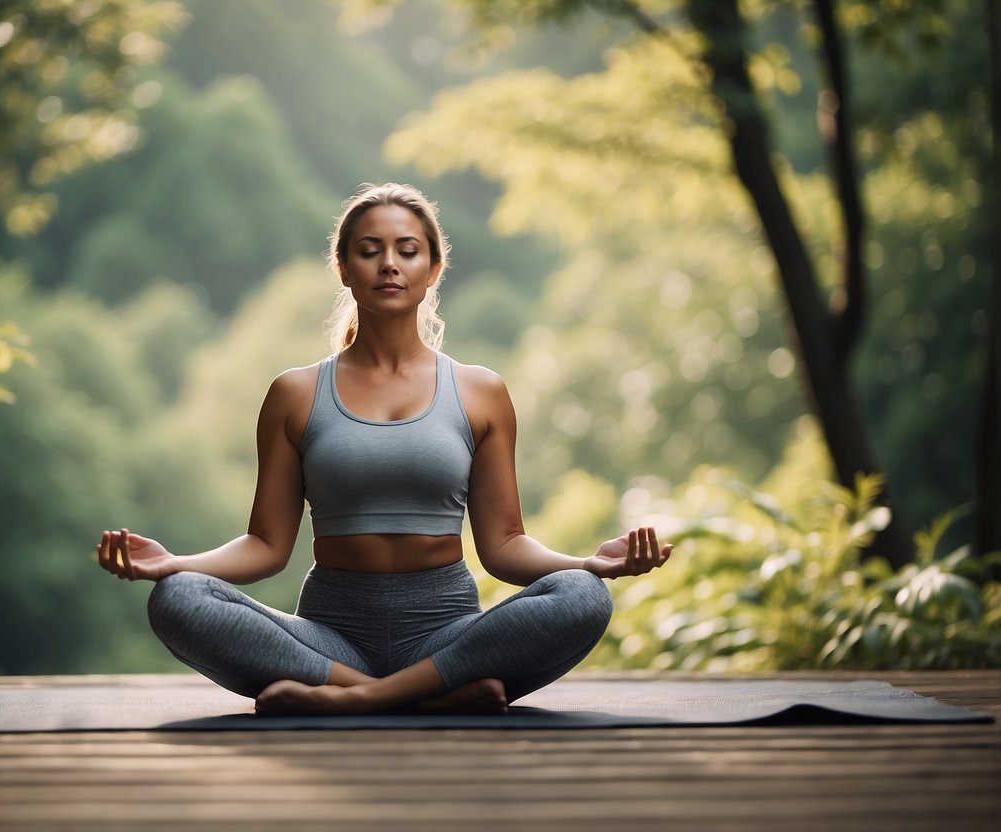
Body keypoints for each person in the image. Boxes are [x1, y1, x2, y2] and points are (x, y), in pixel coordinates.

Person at [97, 182, 672, 715]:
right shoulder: (295, 393)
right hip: (329, 638)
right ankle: (423, 694)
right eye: (370, 250)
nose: (389, 264)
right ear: (344, 269)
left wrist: (590, 564)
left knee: (581, 597)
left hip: (448, 631)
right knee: (179, 599)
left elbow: (504, 546)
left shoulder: (481, 391)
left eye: (408, 250)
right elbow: (267, 546)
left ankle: (359, 700)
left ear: (434, 268)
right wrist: (175, 564)